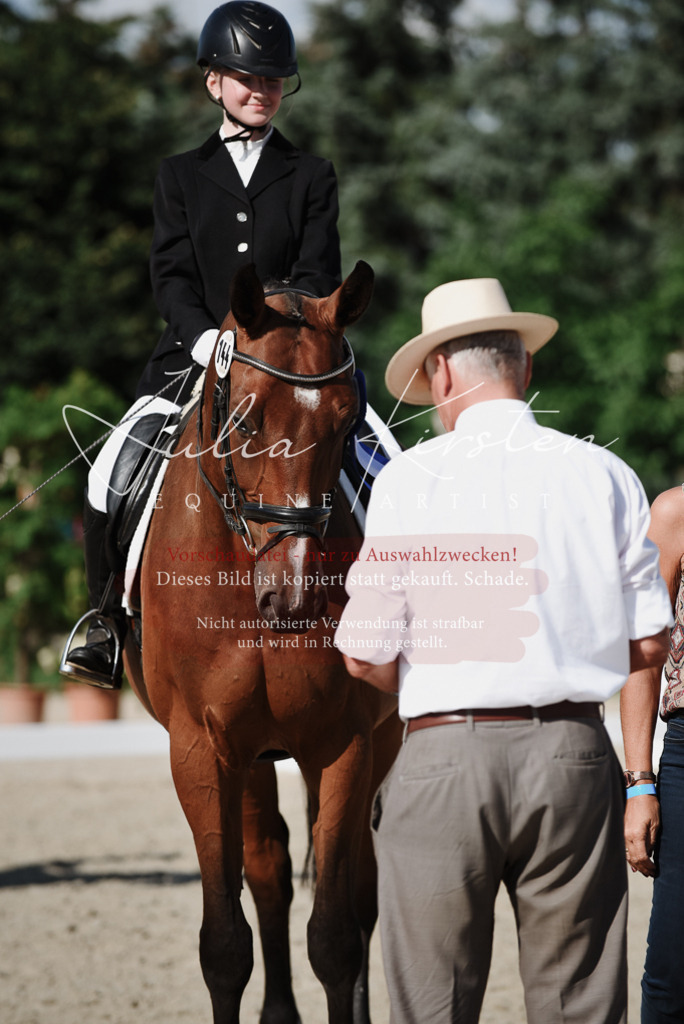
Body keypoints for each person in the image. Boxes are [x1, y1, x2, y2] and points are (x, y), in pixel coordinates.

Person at [334, 277, 672, 1024]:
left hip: (445, 754)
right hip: (575, 754)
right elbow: (651, 638)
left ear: (443, 373)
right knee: (580, 1001)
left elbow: (361, 656)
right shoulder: (606, 474)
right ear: (526, 367)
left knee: (433, 1004)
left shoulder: (409, 480)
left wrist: (441, 670)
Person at [61, 1, 342, 689]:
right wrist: (202, 340)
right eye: (248, 77)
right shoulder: (179, 176)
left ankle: (396, 610)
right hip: (188, 362)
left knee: (375, 456)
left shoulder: (311, 174)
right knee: (109, 471)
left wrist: (272, 336)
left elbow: (318, 275)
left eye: (275, 79)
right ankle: (104, 623)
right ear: (213, 81)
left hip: (288, 364)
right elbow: (171, 275)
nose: (263, 91)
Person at [621, 484, 684, 1024]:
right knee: (672, 965)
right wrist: (639, 784)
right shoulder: (676, 512)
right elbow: (642, 656)